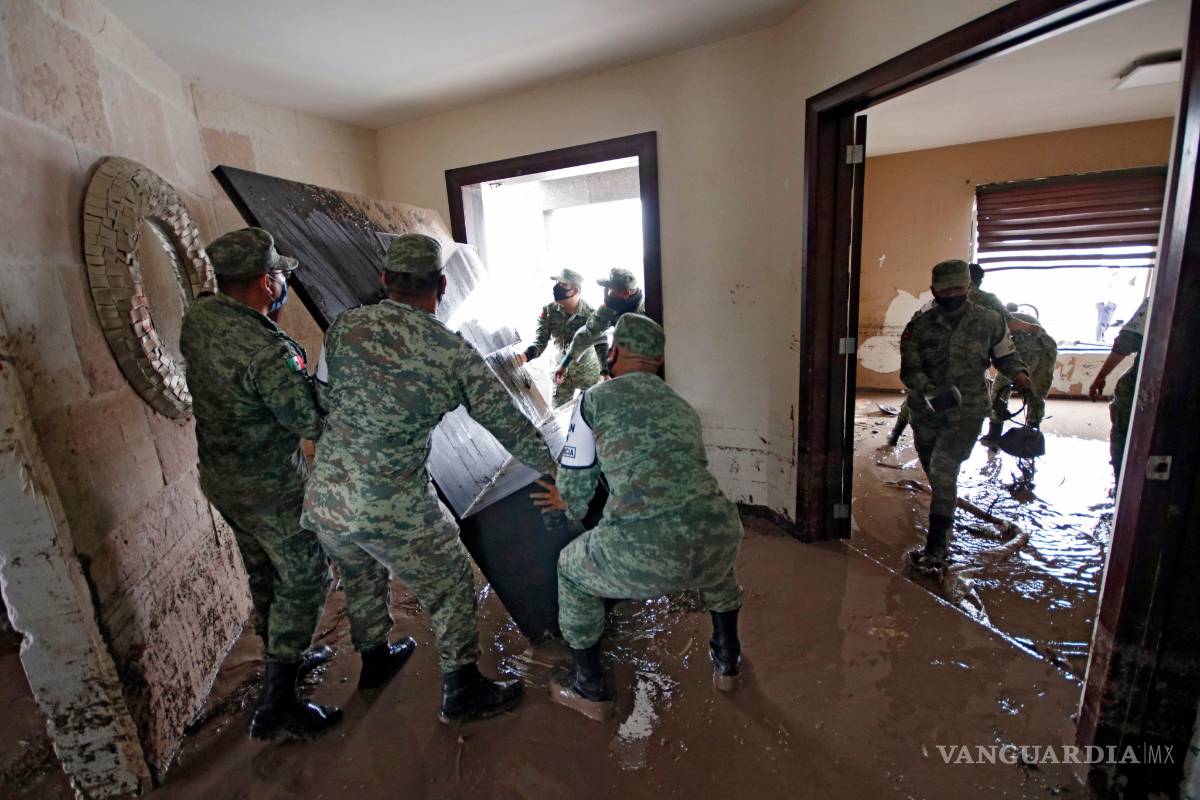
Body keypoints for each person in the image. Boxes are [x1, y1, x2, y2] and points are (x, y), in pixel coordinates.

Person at [302, 234, 558, 723]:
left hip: (327, 497)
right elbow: (507, 423)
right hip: (392, 503)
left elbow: (324, 400)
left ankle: (375, 658)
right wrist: (556, 472)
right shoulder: (451, 352)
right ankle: (462, 690)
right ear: (441, 285)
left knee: (360, 570)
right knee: (452, 580)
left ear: (385, 280)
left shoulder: (344, 326)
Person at [531, 314, 744, 721]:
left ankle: (589, 688)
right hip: (720, 529)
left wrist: (564, 500)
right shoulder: (682, 407)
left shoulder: (593, 400)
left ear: (612, 353)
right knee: (713, 557)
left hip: (647, 550)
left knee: (570, 570)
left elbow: (577, 494)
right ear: (659, 361)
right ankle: (727, 659)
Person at [179, 227, 340, 741]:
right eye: (278, 275)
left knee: (266, 573)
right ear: (267, 282)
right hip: (271, 486)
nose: (282, 283)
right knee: (310, 574)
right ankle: (278, 704)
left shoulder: (201, 317)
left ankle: (282, 657)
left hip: (223, 478)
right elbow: (307, 421)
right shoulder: (268, 351)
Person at [900, 260, 1031, 569]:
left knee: (943, 469)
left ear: (968, 288)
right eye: (944, 291)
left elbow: (1006, 356)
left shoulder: (990, 321)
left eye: (957, 289)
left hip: (967, 411)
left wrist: (1020, 375)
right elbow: (910, 370)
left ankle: (936, 548)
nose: (951, 295)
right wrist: (930, 390)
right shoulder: (919, 326)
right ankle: (945, 513)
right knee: (934, 472)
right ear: (934, 290)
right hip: (926, 412)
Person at [516, 268, 606, 407]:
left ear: (575, 291)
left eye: (563, 285)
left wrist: (606, 372)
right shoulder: (549, 311)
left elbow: (602, 346)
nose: (557, 287)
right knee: (557, 414)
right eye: (557, 283)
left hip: (588, 375)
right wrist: (524, 356)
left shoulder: (591, 315)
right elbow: (540, 341)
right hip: (560, 375)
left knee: (593, 413)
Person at [1088, 297, 1150, 481]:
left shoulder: (1161, 296)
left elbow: (1125, 343)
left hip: (1147, 384)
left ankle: (1121, 478)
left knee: (1123, 429)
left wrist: (1099, 378)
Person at [553, 267, 645, 387]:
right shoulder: (609, 309)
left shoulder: (647, 312)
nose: (607, 292)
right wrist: (564, 364)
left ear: (625, 294)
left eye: (610, 289)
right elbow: (588, 333)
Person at [983, 308, 1058, 445]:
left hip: (1025, 348)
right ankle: (1033, 432)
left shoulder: (993, 319)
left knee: (1000, 389)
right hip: (1048, 348)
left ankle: (994, 434)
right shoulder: (1020, 317)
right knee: (1036, 391)